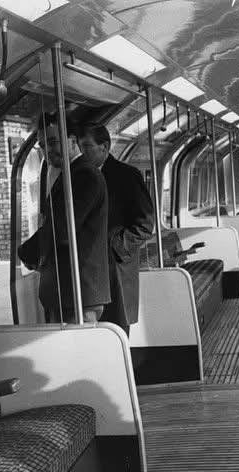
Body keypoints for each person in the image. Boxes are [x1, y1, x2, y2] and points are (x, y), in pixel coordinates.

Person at [25, 112, 110, 324]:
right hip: (67, 291)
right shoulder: (69, 174)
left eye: (53, 142)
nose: (48, 150)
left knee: (78, 355)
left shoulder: (84, 175)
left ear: (72, 141)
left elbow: (62, 229)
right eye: (43, 145)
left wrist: (27, 252)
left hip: (77, 292)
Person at [75, 123, 155, 335]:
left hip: (115, 271)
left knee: (117, 333)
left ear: (105, 147)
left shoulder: (127, 176)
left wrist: (114, 247)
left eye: (86, 146)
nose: (81, 152)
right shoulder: (77, 179)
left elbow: (145, 225)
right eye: (78, 146)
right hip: (87, 273)